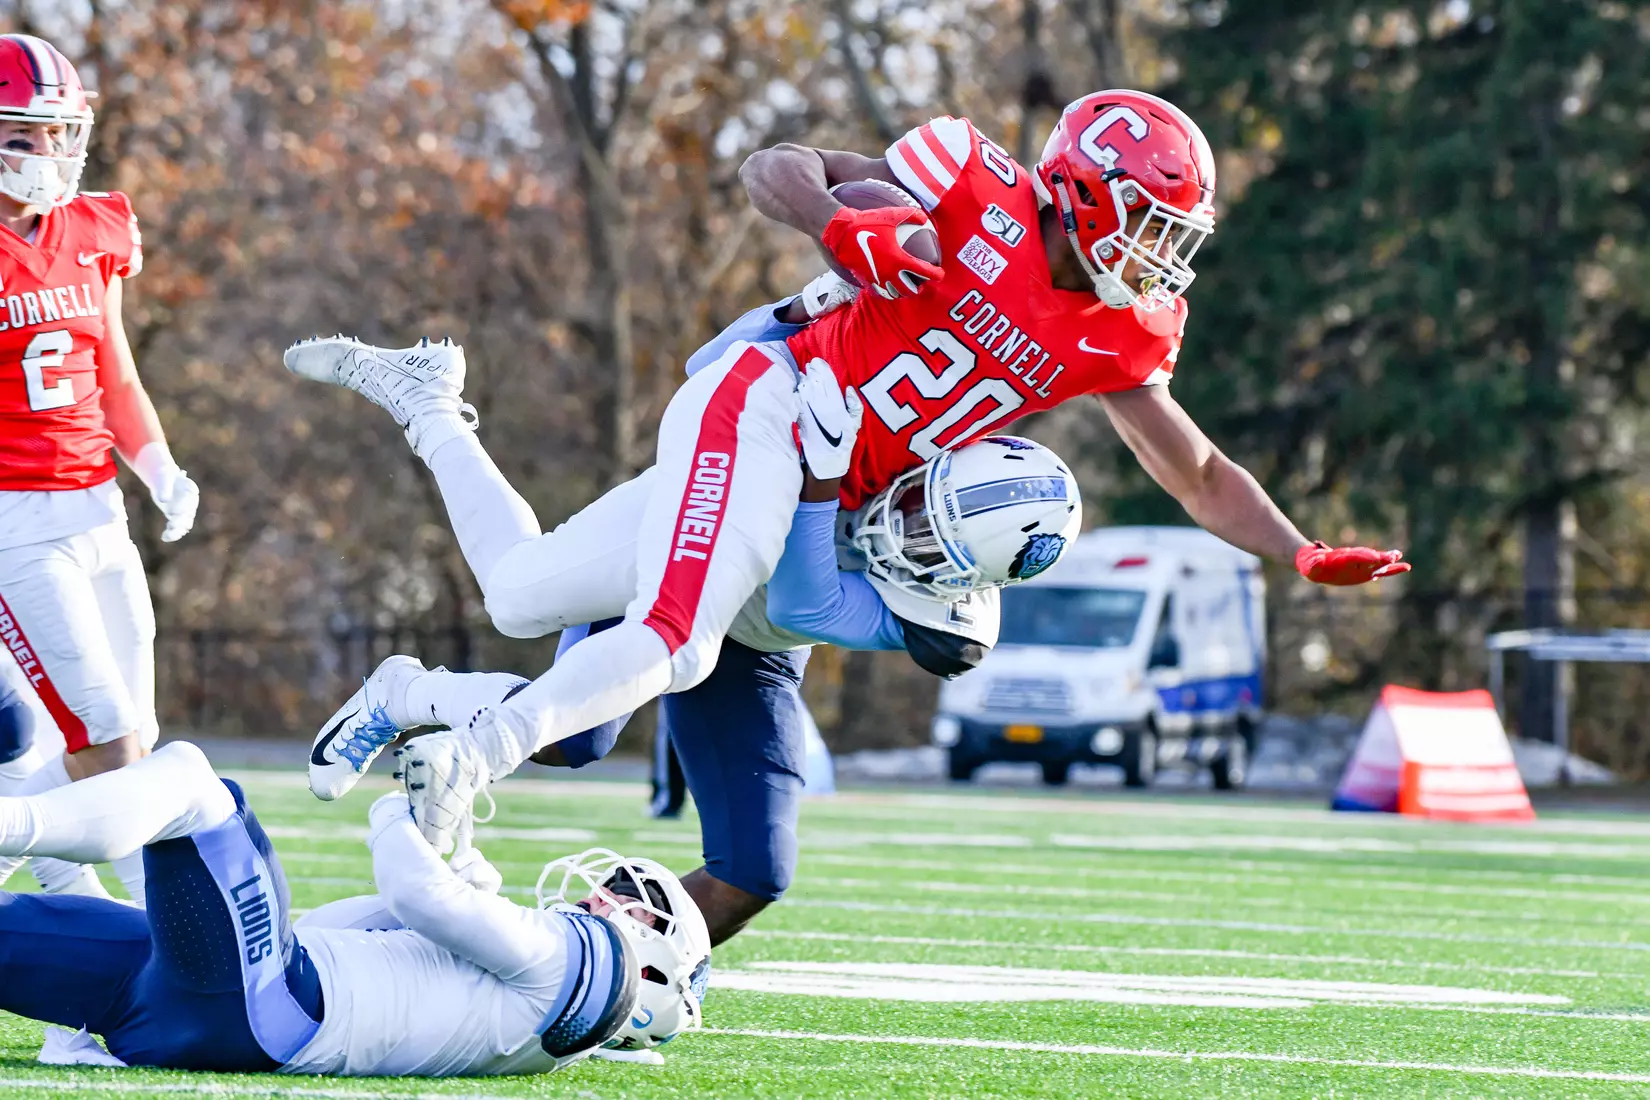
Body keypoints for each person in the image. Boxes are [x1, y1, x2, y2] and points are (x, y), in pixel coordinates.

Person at [288, 88, 1409, 853]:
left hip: (820, 466)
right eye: (1153, 224)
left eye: (1178, 236)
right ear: (1085, 189)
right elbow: (769, 167)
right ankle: (472, 756)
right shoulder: (973, 185)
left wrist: (1299, 548)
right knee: (677, 642)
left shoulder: (1122, 333)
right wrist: (840, 225)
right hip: (771, 397)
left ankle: (431, 423)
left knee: (523, 592)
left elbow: (1200, 471)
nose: (1165, 256)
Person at [0, 740, 710, 1074]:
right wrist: (448, 848)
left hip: (265, 1007)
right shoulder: (529, 1016)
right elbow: (337, 928)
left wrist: (397, 807)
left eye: (639, 906)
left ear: (649, 976)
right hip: (217, 1009)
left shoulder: (589, 972)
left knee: (192, 782)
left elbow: (418, 893)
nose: (606, 898)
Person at [0, 34, 199, 903]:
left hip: (99, 510)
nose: (51, 151)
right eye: (28, 132)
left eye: (60, 131)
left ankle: (85, 967)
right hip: (16, 523)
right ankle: (119, 980)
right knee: (106, 747)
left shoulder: (95, 227)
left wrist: (156, 466)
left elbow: (114, 370)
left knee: (132, 748)